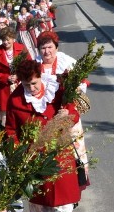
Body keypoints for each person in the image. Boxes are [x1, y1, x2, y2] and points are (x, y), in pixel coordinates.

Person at [4, 59, 81, 212]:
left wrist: (67, 117)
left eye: (35, 83)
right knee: (39, 207)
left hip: (60, 155)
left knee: (63, 207)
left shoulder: (57, 88)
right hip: (34, 159)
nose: (32, 88)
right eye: (27, 84)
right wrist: (19, 150)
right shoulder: (15, 100)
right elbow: (11, 130)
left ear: (40, 76)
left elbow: (74, 110)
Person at [36, 31, 90, 188]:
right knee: (53, 152)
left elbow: (80, 85)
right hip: (46, 116)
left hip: (67, 113)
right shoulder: (35, 64)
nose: (47, 51)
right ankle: (57, 184)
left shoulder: (67, 63)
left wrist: (68, 109)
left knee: (74, 151)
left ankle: (76, 183)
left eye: (49, 47)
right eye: (43, 48)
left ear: (56, 47)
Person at [0, 26, 30, 126]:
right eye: (3, 40)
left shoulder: (22, 49)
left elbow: (29, 65)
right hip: (4, 88)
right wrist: (6, 77)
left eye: (7, 39)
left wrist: (19, 76)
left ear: (13, 38)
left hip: (21, 86)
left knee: (23, 110)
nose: (5, 42)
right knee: (6, 116)